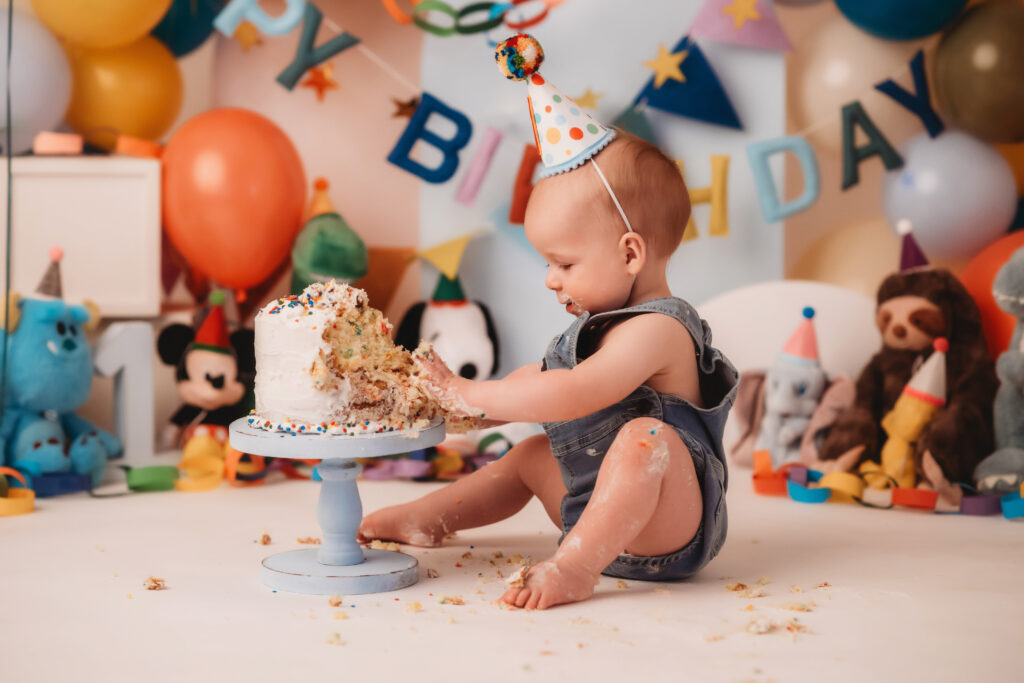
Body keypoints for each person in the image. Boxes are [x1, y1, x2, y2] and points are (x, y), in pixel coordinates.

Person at [360, 34, 737, 610]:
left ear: (630, 253)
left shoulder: (661, 329)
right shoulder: (596, 328)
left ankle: (574, 568)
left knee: (646, 439)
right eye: (547, 265)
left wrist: (471, 390)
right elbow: (537, 380)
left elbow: (576, 391)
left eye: (564, 264)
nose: (550, 280)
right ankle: (427, 516)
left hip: (669, 530)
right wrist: (470, 407)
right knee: (531, 456)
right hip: (595, 513)